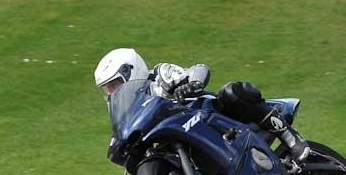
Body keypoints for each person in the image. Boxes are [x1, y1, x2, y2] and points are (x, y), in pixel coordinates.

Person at [94, 48, 310, 165]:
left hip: (211, 117)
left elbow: (198, 69)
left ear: (130, 71)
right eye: (107, 88)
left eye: (114, 84)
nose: (112, 92)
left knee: (232, 92)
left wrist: (191, 83)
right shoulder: (127, 113)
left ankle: (292, 139)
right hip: (185, 144)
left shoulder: (158, 75)